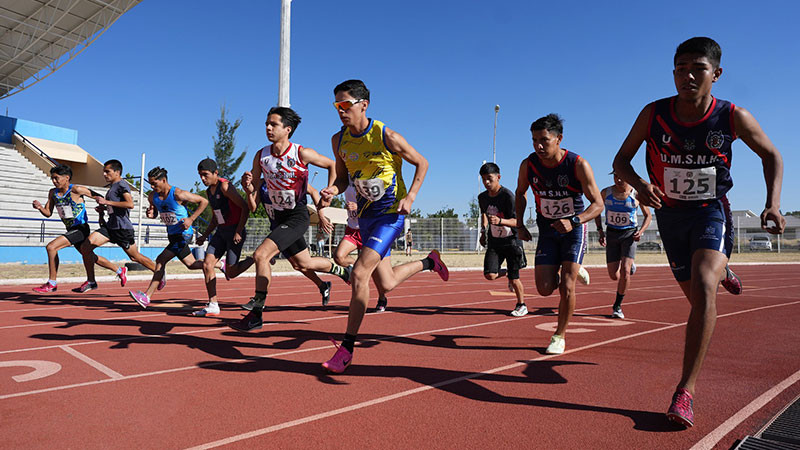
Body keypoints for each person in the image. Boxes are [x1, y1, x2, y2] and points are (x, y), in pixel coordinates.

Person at [612, 37, 785, 428]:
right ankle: (723, 269)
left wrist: (772, 204)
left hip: (710, 212)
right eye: (680, 69)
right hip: (670, 217)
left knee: (705, 285)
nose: (687, 76)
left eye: (697, 69)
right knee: (698, 302)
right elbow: (620, 160)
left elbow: (772, 154)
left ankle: (685, 391)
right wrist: (640, 185)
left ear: (716, 74)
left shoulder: (732, 116)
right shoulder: (654, 114)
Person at [319, 79, 449, 373]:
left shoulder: (386, 135)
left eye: (345, 104)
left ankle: (346, 348)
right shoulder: (338, 140)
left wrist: (411, 197)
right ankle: (430, 262)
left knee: (360, 273)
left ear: (363, 105)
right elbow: (343, 178)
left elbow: (422, 162)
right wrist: (332, 191)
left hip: (390, 215)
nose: (340, 110)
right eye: (336, 105)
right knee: (386, 283)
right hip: (365, 218)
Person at [229, 106, 351, 331]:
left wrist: (330, 191)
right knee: (302, 264)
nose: (268, 128)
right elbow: (254, 190)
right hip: (278, 218)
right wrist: (248, 187)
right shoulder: (261, 155)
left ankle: (257, 313)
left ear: (288, 129)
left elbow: (332, 165)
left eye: (273, 124)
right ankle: (343, 271)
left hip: (297, 216)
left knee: (261, 255)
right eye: (266, 124)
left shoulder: (301, 153)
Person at [515, 114, 603, 355]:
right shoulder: (528, 165)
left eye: (544, 140)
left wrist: (574, 221)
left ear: (559, 139)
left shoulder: (578, 164)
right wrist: (520, 224)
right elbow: (520, 192)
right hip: (547, 230)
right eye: (534, 141)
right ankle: (571, 267)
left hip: (573, 230)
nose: (538, 146)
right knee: (544, 288)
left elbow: (598, 204)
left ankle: (559, 335)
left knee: (567, 285)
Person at [241, 170, 342, 309]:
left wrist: (321, 215)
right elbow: (253, 208)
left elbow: (313, 191)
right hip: (279, 228)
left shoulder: (286, 179)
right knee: (300, 264)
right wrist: (248, 193)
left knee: (262, 255)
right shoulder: (261, 184)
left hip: (291, 225)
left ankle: (258, 301)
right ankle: (324, 284)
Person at [128, 167, 214, 308]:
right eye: (150, 184)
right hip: (172, 235)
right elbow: (156, 212)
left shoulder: (178, 194)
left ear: (163, 180)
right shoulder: (152, 196)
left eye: (154, 183)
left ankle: (147, 296)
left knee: (160, 260)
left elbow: (203, 201)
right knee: (191, 264)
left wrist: (191, 219)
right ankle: (219, 264)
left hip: (184, 234)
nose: (152, 187)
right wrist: (151, 214)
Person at [77, 159, 163, 293]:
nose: (104, 174)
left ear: (117, 172)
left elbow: (130, 204)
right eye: (103, 172)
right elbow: (114, 207)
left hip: (122, 228)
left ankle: (159, 272)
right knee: (85, 247)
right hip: (110, 227)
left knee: (134, 257)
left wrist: (107, 202)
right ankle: (91, 281)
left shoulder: (122, 185)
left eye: (107, 172)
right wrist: (103, 210)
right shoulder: (112, 187)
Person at [31, 164, 120, 293]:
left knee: (51, 247)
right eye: (52, 178)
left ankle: (52, 283)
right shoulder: (53, 193)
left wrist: (103, 208)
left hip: (81, 229)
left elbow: (98, 197)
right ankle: (119, 270)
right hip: (70, 229)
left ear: (67, 177)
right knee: (90, 256)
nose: (54, 181)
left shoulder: (76, 189)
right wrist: (40, 207)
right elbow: (48, 213)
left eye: (56, 178)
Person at [192, 158, 255, 317]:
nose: (202, 179)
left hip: (234, 232)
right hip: (221, 232)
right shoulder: (209, 192)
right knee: (207, 265)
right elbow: (216, 217)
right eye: (200, 175)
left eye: (205, 175)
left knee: (231, 273)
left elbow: (245, 207)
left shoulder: (225, 187)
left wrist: (239, 230)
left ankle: (256, 257)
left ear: (215, 173)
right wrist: (205, 235)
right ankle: (213, 304)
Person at [593, 172, 652, 319]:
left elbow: (648, 215)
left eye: (622, 177)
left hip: (629, 234)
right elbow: (596, 210)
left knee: (625, 271)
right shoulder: (606, 192)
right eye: (615, 177)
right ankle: (628, 266)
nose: (618, 180)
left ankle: (617, 306)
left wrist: (641, 231)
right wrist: (600, 231)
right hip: (612, 234)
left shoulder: (636, 194)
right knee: (614, 275)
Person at [478, 162, 528, 316]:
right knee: (490, 275)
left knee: (514, 278)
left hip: (511, 241)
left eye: (489, 178)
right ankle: (506, 272)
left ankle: (521, 305)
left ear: (498, 177)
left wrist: (500, 221)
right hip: (495, 242)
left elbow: (517, 222)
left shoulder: (507, 196)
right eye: (483, 179)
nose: (486, 182)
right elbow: (484, 214)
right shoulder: (482, 197)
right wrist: (483, 231)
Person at [333, 182, 389, 312]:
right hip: (353, 229)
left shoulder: (367, 178)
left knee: (375, 270)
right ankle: (355, 266)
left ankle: (382, 297)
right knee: (339, 256)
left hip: (369, 229)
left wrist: (358, 206)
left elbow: (379, 202)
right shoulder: (345, 178)